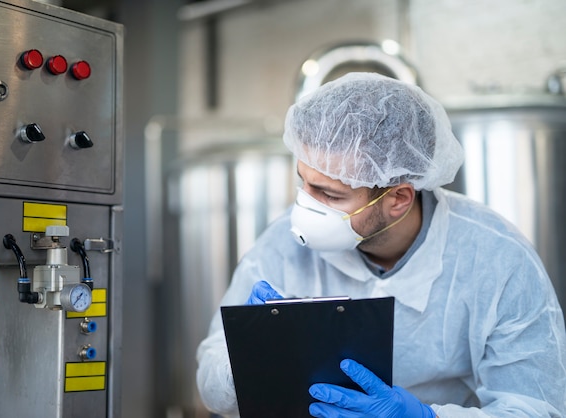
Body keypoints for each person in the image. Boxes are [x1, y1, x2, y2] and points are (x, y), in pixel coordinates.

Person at [195, 72, 566, 417]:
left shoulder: (496, 259)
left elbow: (536, 407)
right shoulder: (282, 246)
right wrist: (243, 355)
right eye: (303, 181)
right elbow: (210, 381)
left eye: (329, 193)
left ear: (398, 199)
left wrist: (427, 417)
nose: (304, 205)